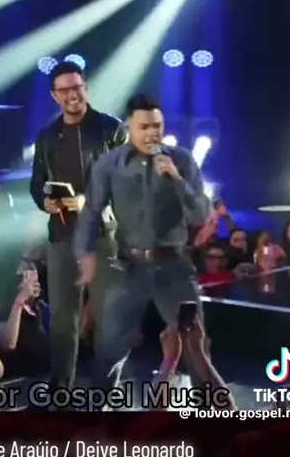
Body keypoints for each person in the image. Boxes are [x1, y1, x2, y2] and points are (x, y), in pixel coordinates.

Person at [75, 93, 209, 391]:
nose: (152, 134)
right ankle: (99, 409)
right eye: (144, 127)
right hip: (130, 268)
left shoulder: (182, 160)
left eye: (157, 126)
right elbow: (91, 212)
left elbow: (201, 213)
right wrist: (85, 253)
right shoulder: (110, 164)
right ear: (129, 127)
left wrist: (176, 180)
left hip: (174, 266)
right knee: (109, 348)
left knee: (195, 344)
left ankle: (209, 411)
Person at [30, 60, 127, 389]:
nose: (72, 94)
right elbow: (36, 182)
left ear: (85, 87)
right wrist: (44, 202)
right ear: (54, 96)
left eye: (77, 87)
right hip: (62, 236)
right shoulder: (47, 136)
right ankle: (60, 390)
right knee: (61, 320)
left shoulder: (111, 129)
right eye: (65, 90)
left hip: (102, 238)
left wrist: (90, 202)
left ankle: (106, 391)